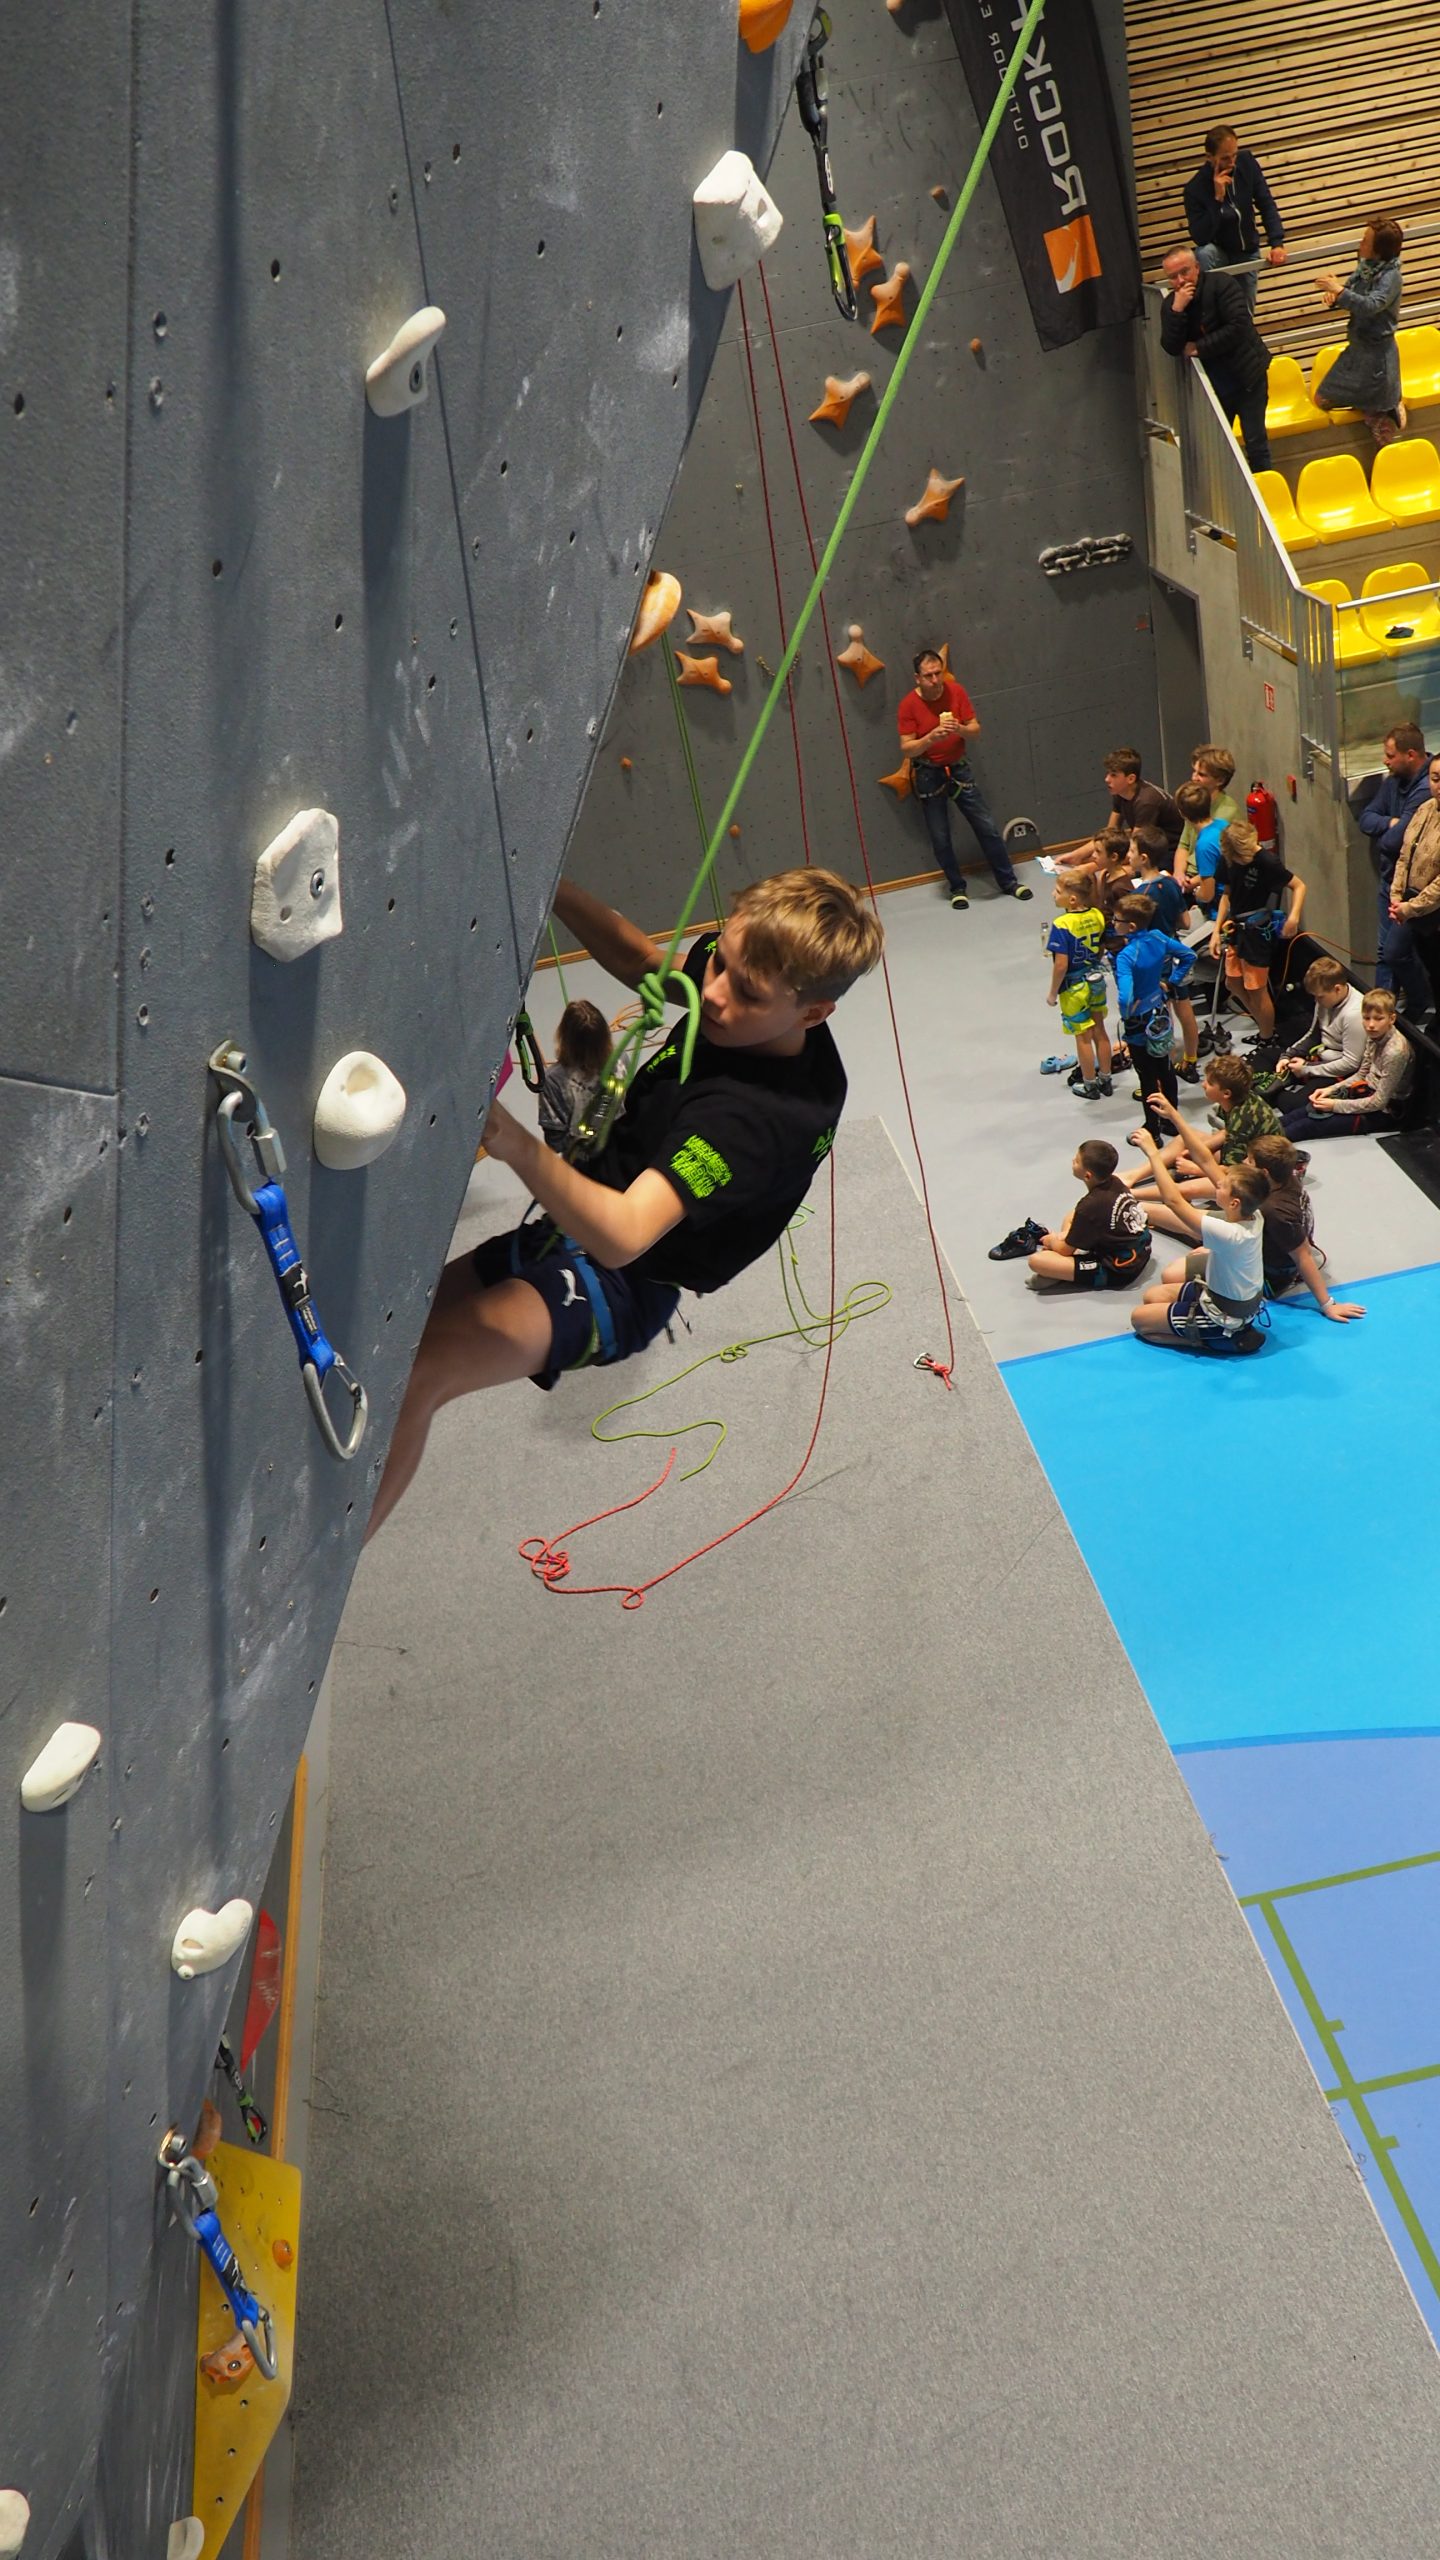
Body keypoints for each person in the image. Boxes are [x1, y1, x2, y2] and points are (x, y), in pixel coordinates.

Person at [367, 869, 884, 1536]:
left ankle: (318, 1574)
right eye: (719, 963)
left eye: (746, 993)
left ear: (813, 1014)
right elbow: (644, 962)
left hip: (625, 1280)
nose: (713, 994)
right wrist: (549, 881)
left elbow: (624, 1237)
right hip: (577, 1221)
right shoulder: (748, 974)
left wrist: (512, 1142)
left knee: (421, 1373)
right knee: (393, 1336)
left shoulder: (755, 1121)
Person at [896, 649, 1032, 907]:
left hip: (959, 768)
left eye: (938, 673)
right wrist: (930, 738)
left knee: (987, 827)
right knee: (940, 836)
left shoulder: (956, 692)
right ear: (917, 678)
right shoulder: (908, 705)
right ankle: (957, 887)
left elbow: (975, 731)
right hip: (928, 772)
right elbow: (907, 748)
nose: (935, 680)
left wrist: (958, 728)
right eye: (928, 676)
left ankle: (1008, 882)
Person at [1129, 1140, 1270, 1354]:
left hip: (1225, 1315)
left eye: (1222, 1187)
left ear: (1234, 1203)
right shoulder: (1254, 1214)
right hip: (1232, 1298)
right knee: (1152, 1296)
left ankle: (1214, 1340)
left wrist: (1153, 1154)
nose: (1217, 1185)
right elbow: (1208, 1164)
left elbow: (1173, 1201)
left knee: (1140, 1322)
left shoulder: (1228, 1233)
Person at [1128, 1052, 1281, 1221]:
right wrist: (1199, 1149)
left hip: (1255, 1178)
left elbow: (1234, 1169)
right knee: (1185, 1140)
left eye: (1210, 1083)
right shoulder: (1240, 1101)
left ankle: (1130, 1194)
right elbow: (1227, 1133)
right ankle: (1132, 1175)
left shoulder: (1242, 1118)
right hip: (1246, 1155)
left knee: (1188, 1188)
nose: (1203, 1084)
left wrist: (1195, 1169)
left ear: (1226, 1093)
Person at [1160, 245, 1272, 474]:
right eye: (1173, 277)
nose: (1180, 281)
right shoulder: (1171, 305)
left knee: (1256, 443)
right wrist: (1177, 311)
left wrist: (1199, 348)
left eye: (1184, 272)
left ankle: (1264, 489)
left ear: (1197, 267)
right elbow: (1171, 346)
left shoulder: (1222, 284)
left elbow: (1239, 326)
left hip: (1248, 376)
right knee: (1218, 449)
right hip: (1215, 387)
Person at [987, 1141, 1152, 1291]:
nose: (1073, 1161)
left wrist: (1051, 1240)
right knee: (1071, 1215)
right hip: (1140, 1250)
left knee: (1037, 1261)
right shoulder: (1115, 1182)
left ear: (1087, 1175)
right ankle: (1064, 1262)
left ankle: (1061, 1272)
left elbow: (1064, 1251)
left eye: (1077, 1161)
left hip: (1119, 1270)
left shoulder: (1090, 1206)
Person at [1248, 1133, 1364, 1321]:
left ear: (1264, 1173)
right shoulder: (1289, 1177)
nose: (1244, 1163)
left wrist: (1328, 1305)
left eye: (1249, 1161)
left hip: (1269, 1277)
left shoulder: (1276, 1211)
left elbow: (1303, 1256)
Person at [1355, 725, 1431, 1012]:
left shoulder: (1424, 791)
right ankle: (1380, 1012)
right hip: (1390, 882)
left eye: (1390, 755)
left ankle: (1418, 1002)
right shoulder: (1393, 781)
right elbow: (1366, 818)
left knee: (1395, 952)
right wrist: (1390, 822)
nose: (1384, 761)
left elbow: (1393, 843)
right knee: (1385, 952)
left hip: (1416, 893)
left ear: (1410, 755)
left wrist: (1390, 831)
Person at [1211, 816, 1304, 1041]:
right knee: (1232, 982)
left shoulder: (1267, 862)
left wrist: (1293, 917)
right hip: (1236, 928)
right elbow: (1227, 894)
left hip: (1257, 932)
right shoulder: (1229, 858)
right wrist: (1216, 931)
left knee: (1256, 989)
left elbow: (1299, 886)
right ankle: (1264, 1024)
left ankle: (1266, 1036)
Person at [1314, 217, 1406, 445]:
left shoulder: (1391, 277)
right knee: (1322, 399)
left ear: (1378, 249)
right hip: (1357, 350)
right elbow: (1351, 292)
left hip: (1377, 355)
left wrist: (1340, 291)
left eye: (1365, 240)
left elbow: (1372, 305)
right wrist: (1335, 295)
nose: (1360, 243)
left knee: (1383, 435)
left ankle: (1386, 406)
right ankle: (1379, 402)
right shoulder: (1365, 267)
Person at [1280, 987, 1415, 1141]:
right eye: (1366, 1018)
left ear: (1391, 1019)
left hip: (1384, 1111)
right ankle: (1260, 1132)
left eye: (1378, 1019)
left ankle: (1263, 1145)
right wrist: (1330, 1090)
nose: (1371, 1025)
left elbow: (1379, 1102)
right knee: (1302, 1111)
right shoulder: (1374, 1035)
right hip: (1364, 1091)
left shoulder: (1395, 1052)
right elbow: (1361, 1074)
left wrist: (1334, 1105)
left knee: (1306, 1125)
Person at [1111, 892, 1195, 1139]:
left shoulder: (1126, 956)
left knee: (1147, 1076)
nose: (1113, 923)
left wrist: (1127, 1012)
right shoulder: (1158, 937)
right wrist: (1171, 982)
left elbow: (1125, 996)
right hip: (1160, 1013)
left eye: (1116, 920)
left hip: (1138, 1022)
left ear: (1131, 926)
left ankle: (1152, 1129)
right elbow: (1188, 956)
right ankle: (1172, 1122)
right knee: (1165, 1068)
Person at [1183, 126, 1286, 311]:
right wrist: (1217, 199)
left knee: (1244, 315)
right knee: (1204, 253)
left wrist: (1276, 243)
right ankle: (1210, 308)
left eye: (1234, 155)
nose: (1232, 163)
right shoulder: (1195, 188)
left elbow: (1266, 203)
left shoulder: (1246, 163)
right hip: (1220, 252)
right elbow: (1200, 237)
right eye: (1225, 158)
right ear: (1209, 157)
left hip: (1246, 251)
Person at [1129, 827, 1200, 1078]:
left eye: (1132, 851)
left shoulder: (1138, 896)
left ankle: (1165, 1069)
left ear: (1144, 858)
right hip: (1175, 953)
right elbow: (1185, 922)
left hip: (1154, 961)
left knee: (1160, 1013)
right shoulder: (1171, 883)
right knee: (1184, 1007)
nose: (1128, 855)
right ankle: (1190, 1061)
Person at [1044, 874, 1112, 1099]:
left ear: (1072, 899)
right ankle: (1106, 1079)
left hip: (1074, 988)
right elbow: (1101, 947)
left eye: (1057, 891)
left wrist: (1053, 992)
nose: (1053, 894)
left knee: (1083, 1036)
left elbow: (1061, 964)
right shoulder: (1097, 915)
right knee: (1100, 1030)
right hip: (1095, 981)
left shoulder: (1062, 924)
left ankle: (1089, 1084)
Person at [1386, 751, 1440, 1023]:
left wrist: (1411, 908)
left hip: (1431, 910)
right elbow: (1404, 856)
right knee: (1412, 959)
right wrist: (1397, 898)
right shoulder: (1425, 809)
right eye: (1435, 778)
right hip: (1412, 907)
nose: (1439, 786)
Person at [1266, 956, 1367, 1103]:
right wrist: (1287, 1056)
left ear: (1337, 989)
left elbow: (1351, 1064)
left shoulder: (1355, 1014)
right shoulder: (1325, 999)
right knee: (1265, 1056)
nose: (1316, 1001)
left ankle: (1272, 1092)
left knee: (1292, 1103)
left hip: (1341, 1072)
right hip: (1320, 1060)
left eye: (1320, 997)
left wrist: (1307, 1068)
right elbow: (1313, 1035)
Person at [534, 998, 612, 1152]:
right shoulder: (620, 1061)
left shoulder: (552, 1081)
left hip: (585, 1160)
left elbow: (555, 1143)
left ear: (564, 1036)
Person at [1103, 747, 1183, 855]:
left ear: (1131, 779)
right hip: (1147, 848)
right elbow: (1109, 835)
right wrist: (1079, 855)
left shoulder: (1146, 802)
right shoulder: (1120, 793)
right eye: (1107, 773)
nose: (1107, 779)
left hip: (1170, 851)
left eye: (1113, 775)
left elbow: (1136, 849)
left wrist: (1092, 864)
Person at [1176, 746, 1240, 874]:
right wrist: (1178, 873)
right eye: (1194, 772)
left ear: (1220, 780)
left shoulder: (1228, 812)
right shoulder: (1194, 802)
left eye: (1201, 774)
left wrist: (1187, 879)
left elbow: (1215, 862)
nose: (1194, 778)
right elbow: (1184, 845)